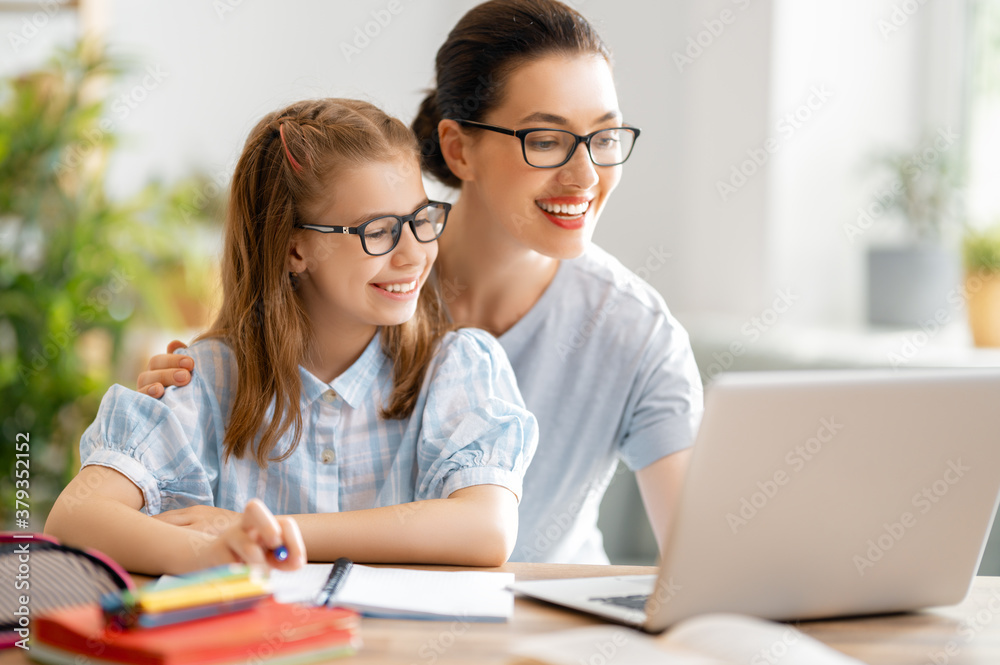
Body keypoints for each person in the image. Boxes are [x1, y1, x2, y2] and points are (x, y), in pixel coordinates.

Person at [138, 0, 702, 565]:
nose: (585, 175)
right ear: (458, 149)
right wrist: (198, 379)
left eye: (604, 139)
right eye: (546, 140)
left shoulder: (639, 333)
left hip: (546, 629)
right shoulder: (369, 285)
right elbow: (256, 354)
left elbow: (702, 556)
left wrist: (267, 533)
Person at [45, 98, 537, 575]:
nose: (413, 254)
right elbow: (75, 519)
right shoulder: (207, 379)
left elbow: (486, 528)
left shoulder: (456, 367)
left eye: (420, 219)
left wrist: (268, 531)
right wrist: (212, 553)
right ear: (294, 248)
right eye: (380, 231)